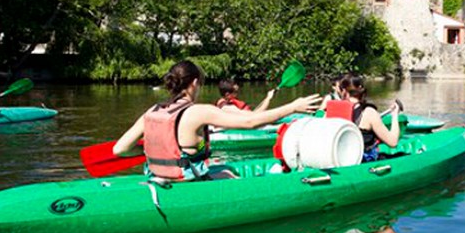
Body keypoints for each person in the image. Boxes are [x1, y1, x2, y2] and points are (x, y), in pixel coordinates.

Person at [114, 60, 320, 181]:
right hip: (186, 183)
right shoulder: (199, 112)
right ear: (194, 83)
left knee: (227, 169)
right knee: (232, 177)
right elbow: (250, 123)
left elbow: (119, 150)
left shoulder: (153, 110)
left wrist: (154, 151)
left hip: (157, 177)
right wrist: (292, 107)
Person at [347, 74, 401, 162]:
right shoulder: (369, 113)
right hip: (364, 161)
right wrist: (395, 115)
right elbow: (393, 142)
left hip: (343, 160)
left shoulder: (332, 111)